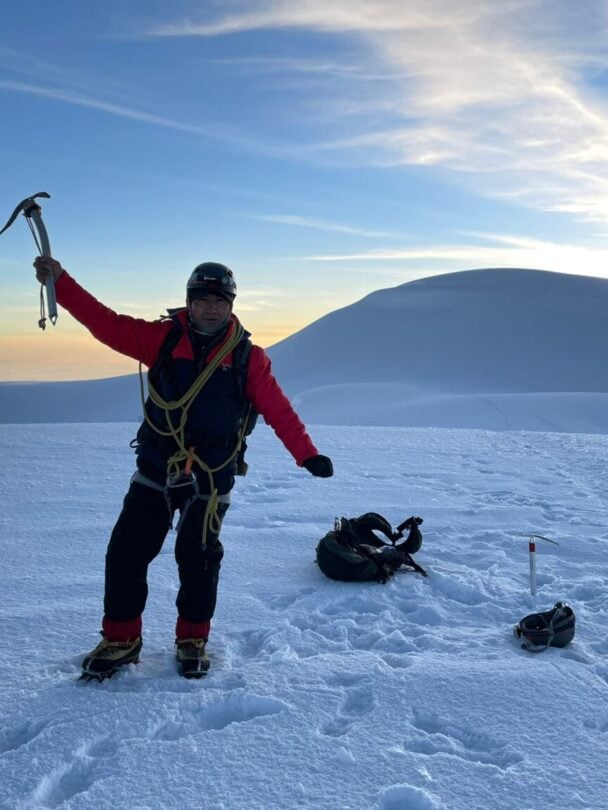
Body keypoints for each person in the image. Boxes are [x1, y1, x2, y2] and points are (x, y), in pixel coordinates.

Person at [34, 256, 333, 680]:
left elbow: (277, 408)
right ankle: (121, 639)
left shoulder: (248, 358)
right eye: (203, 300)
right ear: (189, 302)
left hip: (211, 475)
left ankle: (192, 640)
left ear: (231, 306)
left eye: (220, 301)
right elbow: (106, 323)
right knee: (126, 551)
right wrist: (61, 283)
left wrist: (307, 454)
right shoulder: (162, 339)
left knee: (199, 559)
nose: (211, 308)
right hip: (157, 466)